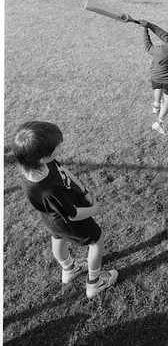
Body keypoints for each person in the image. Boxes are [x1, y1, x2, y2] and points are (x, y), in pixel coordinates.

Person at [12, 121, 118, 299]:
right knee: (97, 239)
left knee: (58, 237)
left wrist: (84, 192)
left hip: (54, 221)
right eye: (56, 147)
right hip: (69, 221)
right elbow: (73, 214)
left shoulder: (37, 166)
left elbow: (63, 171)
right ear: (43, 157)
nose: (59, 148)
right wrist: (94, 209)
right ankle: (95, 283)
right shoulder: (47, 190)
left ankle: (69, 269)